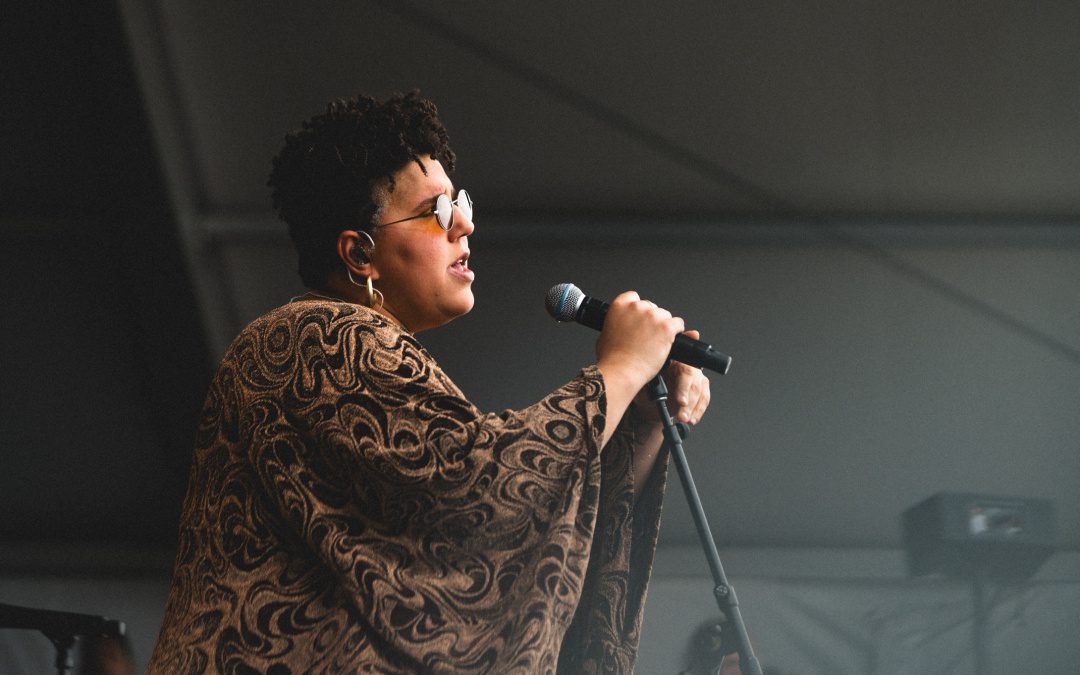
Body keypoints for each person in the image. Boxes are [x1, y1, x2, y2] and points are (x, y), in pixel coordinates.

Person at [147, 91, 711, 674]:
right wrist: (618, 370)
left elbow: (543, 550)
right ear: (359, 254)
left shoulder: (362, 352)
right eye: (436, 210)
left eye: (459, 202)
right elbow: (475, 493)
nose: (465, 222)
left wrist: (642, 415)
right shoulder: (311, 337)